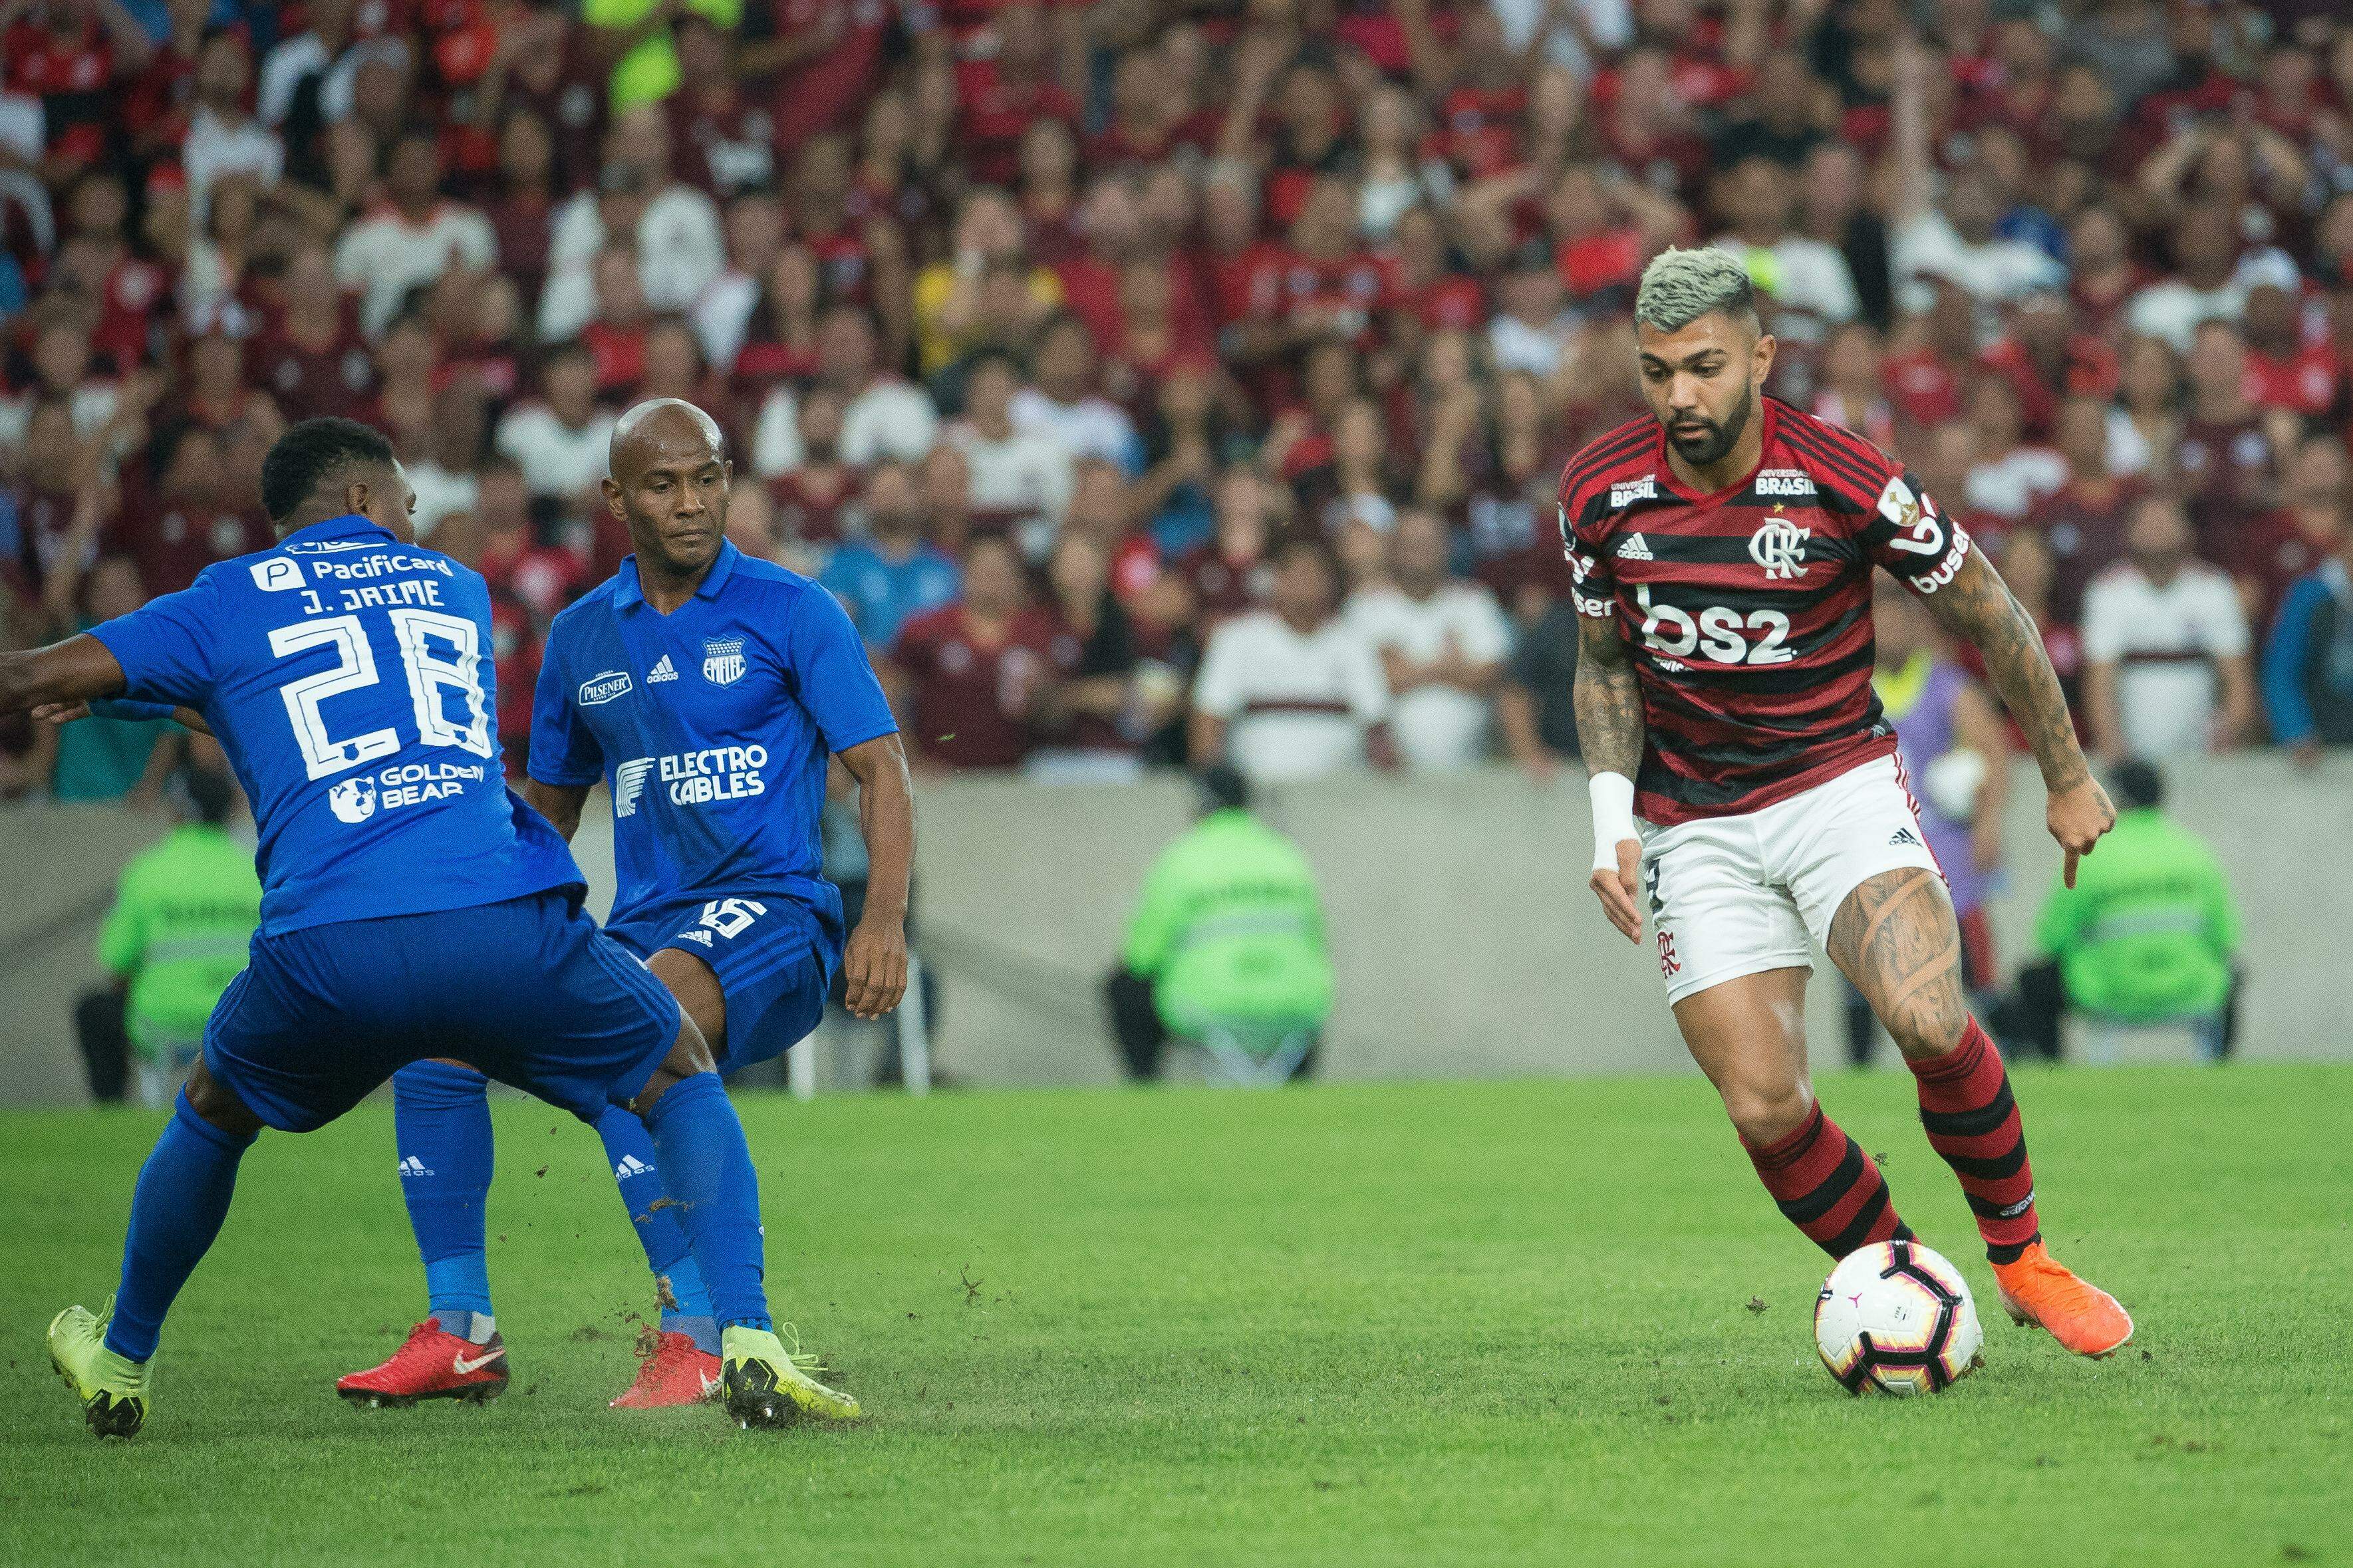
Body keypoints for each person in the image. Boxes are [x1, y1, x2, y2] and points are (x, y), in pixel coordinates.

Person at [3, 418, 824, 1436]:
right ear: (359, 503)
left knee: (213, 1110)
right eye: (403, 502)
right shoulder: (453, 589)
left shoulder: (224, 600)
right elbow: (348, 700)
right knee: (676, 1072)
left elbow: (66, 682)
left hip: (326, 942)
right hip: (496, 912)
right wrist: (155, 696)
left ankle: (122, 1357)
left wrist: (108, 688)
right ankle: (741, 1338)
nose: (415, 520)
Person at [1565, 249, 2132, 1359]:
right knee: (1765, 1108)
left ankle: (2020, 1259)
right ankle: (1911, 1284)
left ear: (1761, 360)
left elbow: (1990, 610)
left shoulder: (1843, 473)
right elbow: (1600, 664)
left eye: (1703, 367)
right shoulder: (1596, 489)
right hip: (1691, 820)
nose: (1679, 395)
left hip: (1832, 784)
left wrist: (2064, 770)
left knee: (1924, 1015)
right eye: (1655, 371)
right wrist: (1608, 821)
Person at [337, 400, 912, 1410]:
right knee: (441, 1037)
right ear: (615, 499)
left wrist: (880, 920)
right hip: (646, 927)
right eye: (662, 484)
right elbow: (548, 815)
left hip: (773, 916)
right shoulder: (581, 639)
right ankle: (460, 1326)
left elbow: (881, 769)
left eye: (707, 477)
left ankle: (696, 1332)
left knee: (643, 1028)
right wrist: (460, 919)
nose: (691, 503)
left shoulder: (793, 610)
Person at [1845, 577, 2010, 1066]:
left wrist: (1988, 824)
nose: (1893, 625)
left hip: (1942, 844)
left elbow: (1992, 753)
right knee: (1859, 956)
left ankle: (2002, 1050)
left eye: (1902, 612)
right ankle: (1861, 1066)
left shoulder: (1945, 685)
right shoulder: (1851, 686)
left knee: (1969, 954)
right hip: (1871, 842)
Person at [1104, 764, 1333, 1081]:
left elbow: (1141, 956)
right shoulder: (1286, 854)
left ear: (1200, 803)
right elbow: (1318, 941)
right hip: (1295, 1006)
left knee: (1125, 988)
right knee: (1303, 980)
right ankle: (1295, 1092)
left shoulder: (1184, 857)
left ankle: (1145, 1094)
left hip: (1208, 1004)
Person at [2003, 761, 2241, 1063]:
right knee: (2234, 975)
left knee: (2033, 982)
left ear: (2113, 798)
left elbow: (2051, 940)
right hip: (2191, 986)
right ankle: (2219, 1068)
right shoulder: (2196, 851)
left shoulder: (2092, 853)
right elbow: (2226, 938)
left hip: (2108, 988)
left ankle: (2053, 1070)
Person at [80, 757, 261, 1109]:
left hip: (159, 1025)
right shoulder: (256, 869)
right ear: (229, 809)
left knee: (93, 1010)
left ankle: (111, 1114)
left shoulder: (149, 869)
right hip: (239, 1024)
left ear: (177, 810)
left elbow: (117, 962)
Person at [1189, 533, 1396, 783]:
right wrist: (1211, 785)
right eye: (1294, 573)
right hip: (1257, 792)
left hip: (1339, 798)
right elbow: (1209, 719)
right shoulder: (1237, 638)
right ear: (1276, 580)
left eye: (1312, 573)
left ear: (1330, 583)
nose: (1303, 582)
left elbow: (1377, 726)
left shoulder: (1353, 642)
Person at [2079, 493, 2255, 761]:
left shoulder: (2214, 588)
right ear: (2128, 534)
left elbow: (2237, 679)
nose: (2156, 530)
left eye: (2166, 522)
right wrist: (2113, 751)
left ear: (2187, 532)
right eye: (2147, 523)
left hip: (2206, 756)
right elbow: (2098, 683)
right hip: (2131, 758)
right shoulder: (2106, 591)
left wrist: (2230, 735)